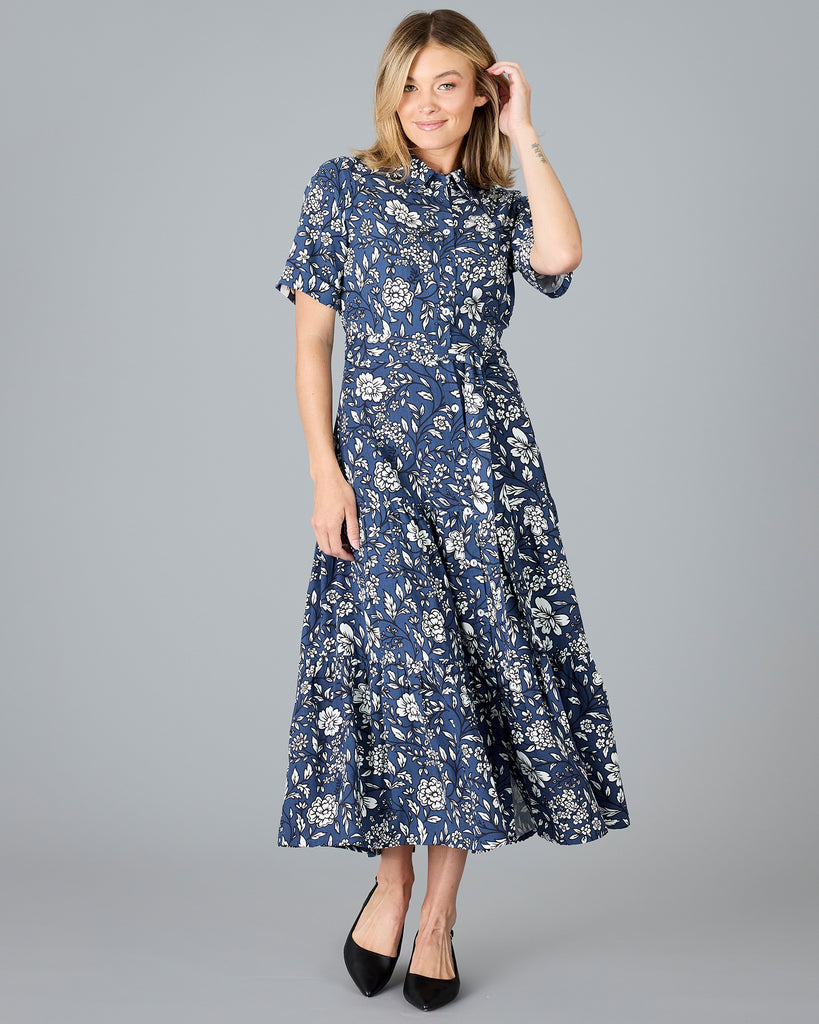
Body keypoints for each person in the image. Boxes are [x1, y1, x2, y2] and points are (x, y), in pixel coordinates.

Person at [274, 8, 631, 1012]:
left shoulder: (496, 202)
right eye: (411, 82)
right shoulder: (342, 187)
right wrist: (324, 474)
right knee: (395, 680)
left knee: (470, 687)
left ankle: (439, 916)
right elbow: (312, 347)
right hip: (378, 472)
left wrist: (525, 135)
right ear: (390, 91)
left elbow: (561, 256)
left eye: (450, 84)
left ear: (482, 92)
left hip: (487, 477)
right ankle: (387, 888)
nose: (426, 103)